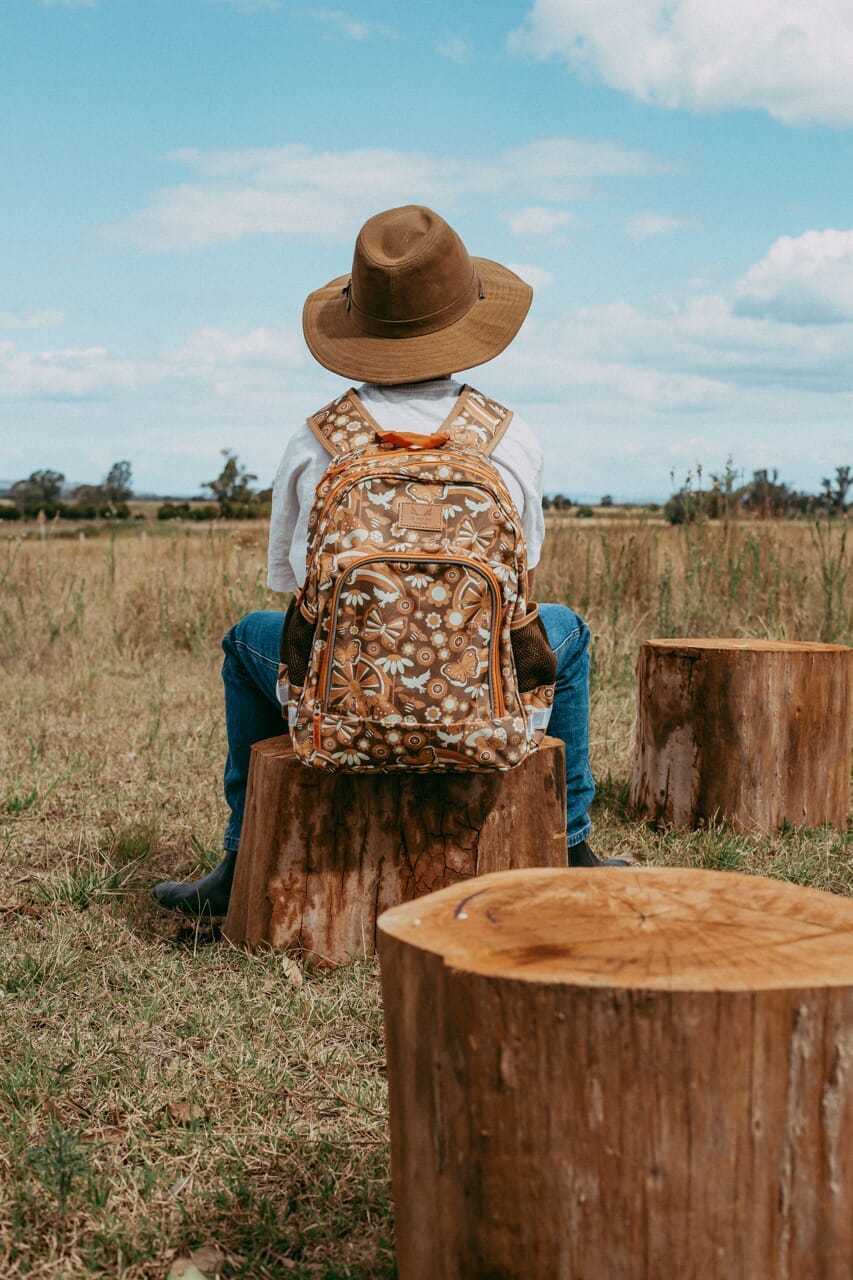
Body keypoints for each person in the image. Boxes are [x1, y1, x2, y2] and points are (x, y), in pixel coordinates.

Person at [153, 205, 625, 917]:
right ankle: (575, 843)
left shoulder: (317, 439)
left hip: (342, 704)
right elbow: (522, 578)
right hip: (484, 705)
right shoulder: (509, 435)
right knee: (572, 632)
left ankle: (237, 856)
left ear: (358, 326)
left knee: (242, 638)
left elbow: (294, 587)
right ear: (467, 320)